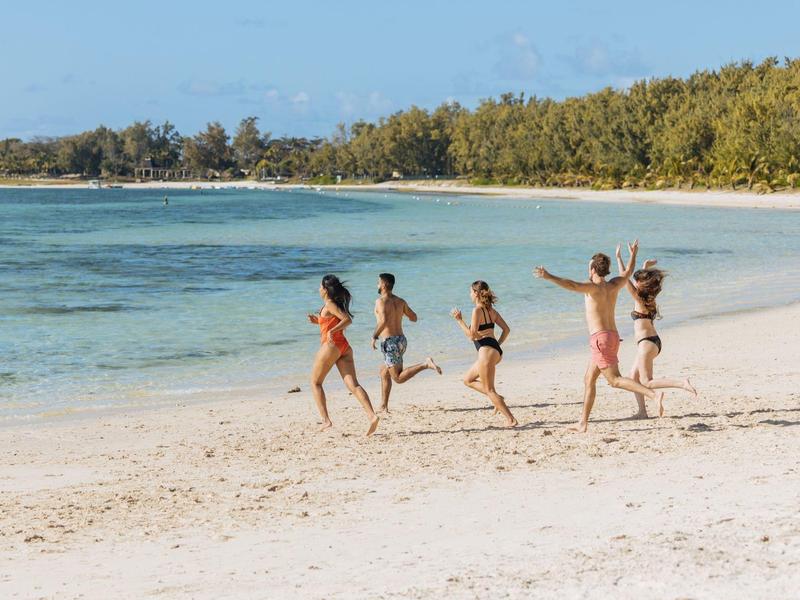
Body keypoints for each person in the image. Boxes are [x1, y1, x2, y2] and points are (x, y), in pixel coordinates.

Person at [534, 240, 665, 433]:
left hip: (601, 340)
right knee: (589, 379)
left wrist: (548, 276)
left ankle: (652, 395)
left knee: (615, 380)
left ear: (594, 269)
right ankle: (583, 422)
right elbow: (628, 272)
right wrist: (633, 254)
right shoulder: (613, 285)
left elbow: (570, 284)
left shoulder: (592, 288)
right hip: (611, 337)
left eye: (589, 267)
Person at [614, 249, 697, 418]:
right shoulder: (649, 297)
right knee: (633, 377)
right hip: (652, 342)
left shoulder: (639, 298)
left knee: (646, 382)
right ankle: (642, 412)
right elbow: (635, 279)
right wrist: (644, 266)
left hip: (646, 344)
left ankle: (682, 383)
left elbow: (623, 278)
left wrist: (620, 258)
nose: (635, 282)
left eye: (637, 281)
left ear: (639, 285)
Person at [308, 274, 379, 436]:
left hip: (331, 346)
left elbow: (347, 320)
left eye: (320, 287)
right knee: (353, 385)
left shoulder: (330, 304)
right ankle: (372, 416)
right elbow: (333, 320)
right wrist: (318, 321)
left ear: (325, 290)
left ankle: (326, 420)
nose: (319, 289)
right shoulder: (331, 305)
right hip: (344, 347)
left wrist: (332, 331)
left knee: (315, 383)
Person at [450, 280, 518, 427]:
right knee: (468, 380)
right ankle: (498, 398)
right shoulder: (492, 311)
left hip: (486, 352)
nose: (469, 294)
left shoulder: (477, 310)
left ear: (476, 293)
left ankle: (510, 419)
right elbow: (507, 330)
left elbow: (472, 335)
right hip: (495, 351)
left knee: (489, 389)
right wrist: (497, 345)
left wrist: (459, 320)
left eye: (470, 292)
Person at [372, 273, 442, 413]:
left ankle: (425, 364)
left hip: (390, 342)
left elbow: (383, 321)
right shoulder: (401, 301)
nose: (377, 285)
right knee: (384, 372)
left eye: (378, 282)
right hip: (401, 341)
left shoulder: (380, 301)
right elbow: (414, 317)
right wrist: (399, 314)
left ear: (384, 285)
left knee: (397, 378)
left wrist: (374, 336)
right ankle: (383, 405)